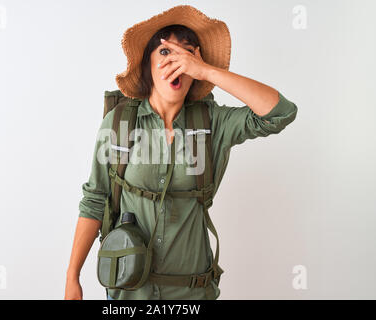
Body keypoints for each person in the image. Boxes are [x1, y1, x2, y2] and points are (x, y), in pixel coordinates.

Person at [65, 5, 298, 300]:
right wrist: (72, 277)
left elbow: (280, 113)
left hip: (193, 295)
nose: (176, 61)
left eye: (187, 53)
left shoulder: (213, 123)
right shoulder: (120, 123)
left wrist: (208, 71)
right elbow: (95, 200)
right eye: (165, 52)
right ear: (147, 65)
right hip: (128, 294)